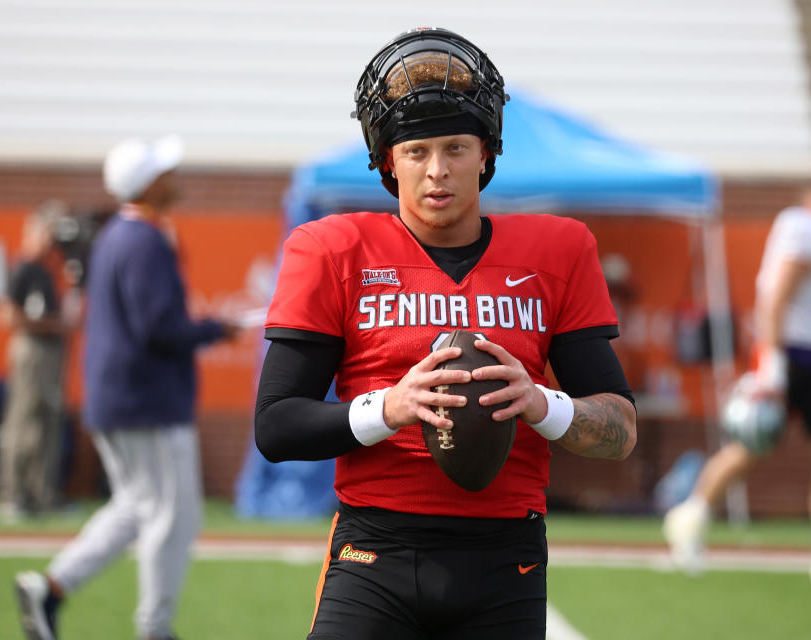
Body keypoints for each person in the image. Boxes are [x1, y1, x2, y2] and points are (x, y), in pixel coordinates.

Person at [254, 28, 637, 640]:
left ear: (487, 152)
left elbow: (619, 431)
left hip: (505, 556)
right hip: (373, 549)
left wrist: (541, 404)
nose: (438, 171)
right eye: (416, 151)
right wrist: (390, 408)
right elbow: (275, 427)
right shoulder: (333, 250)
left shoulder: (559, 250)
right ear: (386, 160)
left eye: (456, 147)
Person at [14, 134, 238, 640]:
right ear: (149, 184)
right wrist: (214, 329)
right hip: (147, 401)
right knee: (171, 517)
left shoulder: (119, 234)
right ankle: (154, 628)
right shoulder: (143, 238)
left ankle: (50, 586)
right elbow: (158, 326)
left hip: (122, 397)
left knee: (136, 509)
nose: (174, 178)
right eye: (165, 172)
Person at [663, 178, 811, 576]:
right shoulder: (804, 226)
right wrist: (773, 364)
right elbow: (777, 295)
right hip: (790, 352)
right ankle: (690, 517)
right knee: (750, 448)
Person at [0, 201, 75, 522]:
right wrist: (54, 324)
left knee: (48, 422)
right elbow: (10, 316)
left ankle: (42, 494)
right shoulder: (24, 266)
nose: (51, 239)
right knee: (23, 421)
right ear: (34, 231)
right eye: (47, 231)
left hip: (50, 351)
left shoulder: (47, 269)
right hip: (32, 350)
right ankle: (13, 495)